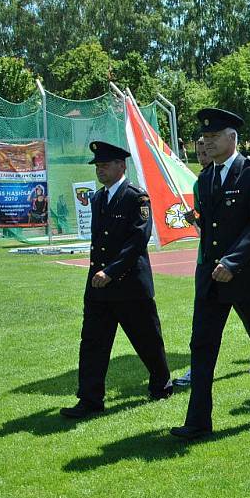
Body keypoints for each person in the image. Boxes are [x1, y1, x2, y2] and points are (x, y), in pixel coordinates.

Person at [170, 108, 250, 440]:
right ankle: (197, 420)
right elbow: (211, 228)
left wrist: (233, 261)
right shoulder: (204, 179)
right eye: (204, 137)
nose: (206, 143)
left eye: (213, 137)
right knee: (202, 345)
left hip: (248, 274)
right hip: (211, 276)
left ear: (231, 138)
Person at [61, 141, 172, 419]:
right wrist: (99, 275)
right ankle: (89, 399)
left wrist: (111, 272)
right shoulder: (98, 198)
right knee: (92, 344)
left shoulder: (137, 198)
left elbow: (137, 241)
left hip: (129, 285)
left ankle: (161, 383)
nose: (100, 170)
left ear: (121, 166)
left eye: (105, 165)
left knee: (147, 340)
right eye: (98, 166)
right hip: (98, 286)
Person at [174, 138, 250, 387]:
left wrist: (232, 261)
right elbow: (206, 226)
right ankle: (198, 370)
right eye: (200, 153)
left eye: (206, 150)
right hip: (207, 262)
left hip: (237, 264)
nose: (203, 156)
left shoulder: (246, 173)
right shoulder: (202, 182)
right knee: (203, 332)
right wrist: (192, 218)